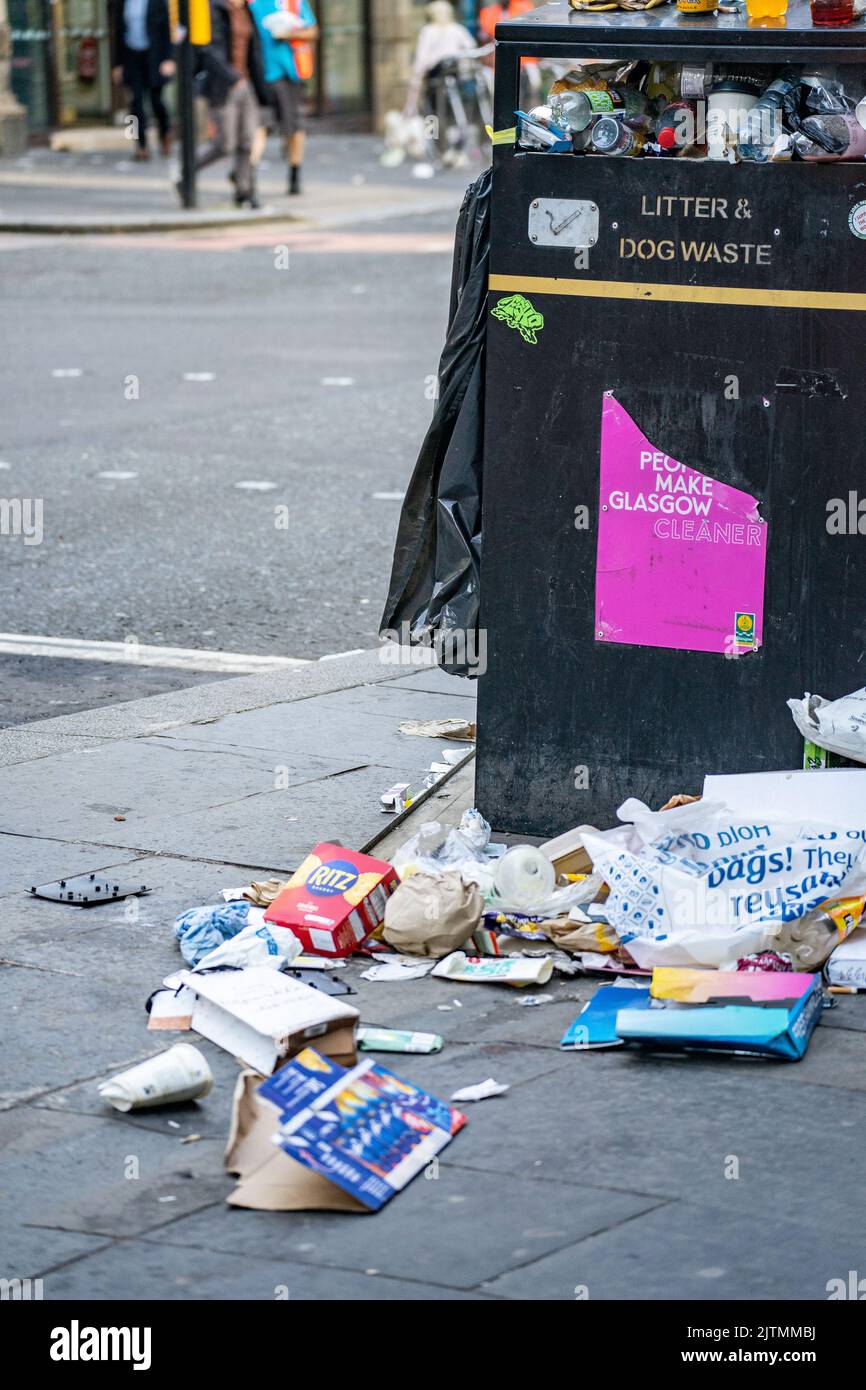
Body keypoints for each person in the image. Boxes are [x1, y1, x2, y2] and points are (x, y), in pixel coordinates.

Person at [193, 0, 269, 208]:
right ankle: (187, 172)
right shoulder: (214, 8)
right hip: (222, 86)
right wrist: (232, 78)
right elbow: (209, 50)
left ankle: (245, 191)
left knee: (247, 141)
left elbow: (255, 51)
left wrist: (260, 86)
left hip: (247, 85)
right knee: (224, 144)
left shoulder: (246, 10)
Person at [248, 0, 318, 196]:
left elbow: (312, 31)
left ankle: (294, 175)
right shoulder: (253, 3)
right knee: (261, 127)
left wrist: (288, 34)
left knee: (293, 127)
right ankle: (249, 177)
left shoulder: (295, 3)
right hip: (263, 74)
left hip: (290, 73)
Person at [110, 0, 175, 160]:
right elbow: (118, 32)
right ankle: (141, 145)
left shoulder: (158, 2)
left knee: (156, 101)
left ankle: (165, 133)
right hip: (132, 57)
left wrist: (168, 58)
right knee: (136, 103)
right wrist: (117, 64)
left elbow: (166, 29)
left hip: (153, 57)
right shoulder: (123, 3)